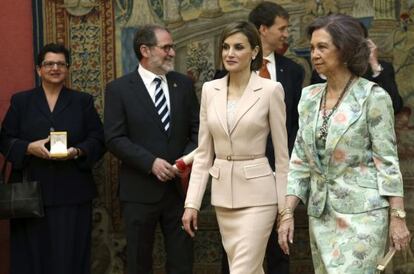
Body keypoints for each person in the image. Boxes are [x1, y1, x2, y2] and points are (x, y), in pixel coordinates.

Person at [278, 14, 410, 274]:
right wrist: (287, 213)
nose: (314, 54)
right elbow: (300, 160)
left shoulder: (373, 97)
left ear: (345, 49)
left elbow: (387, 161)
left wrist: (398, 218)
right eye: (313, 47)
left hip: (363, 216)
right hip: (321, 215)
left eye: (322, 47)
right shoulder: (309, 97)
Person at [182, 21, 289, 274]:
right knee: (249, 270)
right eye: (226, 47)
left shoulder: (270, 90)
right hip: (223, 198)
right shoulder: (210, 90)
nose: (230, 53)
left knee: (241, 270)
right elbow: (204, 153)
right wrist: (192, 204)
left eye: (238, 47)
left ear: (254, 52)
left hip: (260, 197)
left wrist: (285, 211)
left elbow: (283, 159)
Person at [0, 43, 106, 274]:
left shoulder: (82, 101)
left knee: (69, 256)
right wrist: (28, 148)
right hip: (29, 192)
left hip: (72, 192)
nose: (55, 68)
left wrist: (77, 152)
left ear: (67, 69)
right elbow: (5, 139)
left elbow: (99, 139)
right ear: (39, 69)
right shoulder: (21, 101)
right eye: (49, 64)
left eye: (60, 64)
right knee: (30, 258)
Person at [104, 25, 199, 274]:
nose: (172, 52)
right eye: (166, 47)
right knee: (138, 262)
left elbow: (198, 131)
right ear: (145, 50)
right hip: (139, 191)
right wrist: (151, 163)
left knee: (182, 261)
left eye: (172, 47)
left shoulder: (184, 85)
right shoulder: (119, 89)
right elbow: (114, 138)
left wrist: (184, 161)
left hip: (180, 191)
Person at [311, 21, 404, 114]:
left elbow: (395, 106)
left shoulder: (380, 68)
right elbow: (314, 109)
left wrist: (374, 65)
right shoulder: (321, 72)